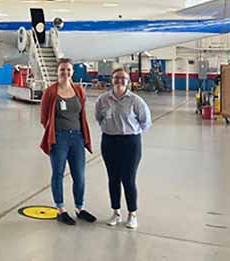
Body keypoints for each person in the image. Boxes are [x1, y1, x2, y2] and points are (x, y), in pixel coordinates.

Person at [40, 58, 97, 225]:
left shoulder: (79, 90)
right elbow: (44, 118)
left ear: (72, 71)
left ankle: (80, 208)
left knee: (79, 175)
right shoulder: (51, 92)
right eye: (62, 70)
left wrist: (79, 135)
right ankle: (61, 210)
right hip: (59, 138)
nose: (65, 73)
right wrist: (55, 134)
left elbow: (81, 113)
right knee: (58, 174)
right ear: (57, 72)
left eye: (68, 70)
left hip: (77, 138)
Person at [95, 68, 152, 229]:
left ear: (128, 81)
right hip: (109, 142)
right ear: (111, 80)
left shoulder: (135, 101)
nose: (119, 81)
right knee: (113, 179)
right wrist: (111, 129)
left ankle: (132, 214)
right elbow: (98, 117)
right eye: (116, 78)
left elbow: (145, 122)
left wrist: (130, 132)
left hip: (130, 143)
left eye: (123, 78)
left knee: (128, 179)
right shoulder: (103, 100)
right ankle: (116, 212)